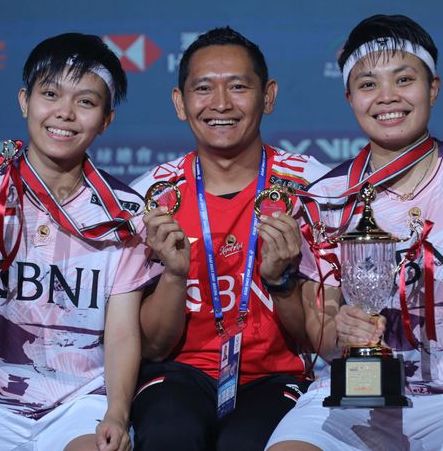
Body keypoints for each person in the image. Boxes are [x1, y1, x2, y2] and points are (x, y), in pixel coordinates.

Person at [266, 14, 443, 451]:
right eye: (368, 84)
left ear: (433, 87)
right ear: (350, 97)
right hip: (350, 395)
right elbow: (320, 334)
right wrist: (342, 330)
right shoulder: (327, 197)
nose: (387, 97)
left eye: (404, 79)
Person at [0, 33, 159, 451]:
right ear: (24, 101)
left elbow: (123, 333)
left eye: (86, 102)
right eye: (51, 94)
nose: (65, 114)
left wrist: (116, 412)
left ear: (106, 119)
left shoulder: (124, 215)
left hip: (80, 404)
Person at [130, 26, 330, 451]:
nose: (221, 104)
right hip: (179, 374)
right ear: (180, 103)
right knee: (169, 434)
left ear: (268, 96)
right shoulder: (150, 200)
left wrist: (281, 281)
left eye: (238, 87)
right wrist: (173, 276)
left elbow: (319, 337)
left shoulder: (314, 190)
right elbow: (151, 345)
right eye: (203, 88)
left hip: (279, 376)